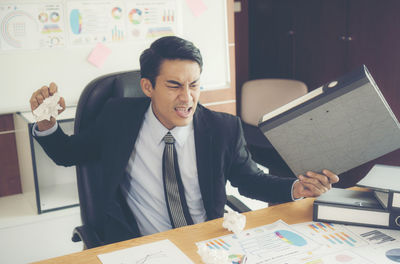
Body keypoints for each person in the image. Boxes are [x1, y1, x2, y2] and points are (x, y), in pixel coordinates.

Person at [30, 36, 339, 245]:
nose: (187, 98)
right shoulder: (117, 118)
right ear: (148, 87)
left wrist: (296, 188)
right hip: (143, 246)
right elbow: (67, 153)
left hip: (208, 244)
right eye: (174, 85)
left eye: (194, 85)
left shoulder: (223, 128)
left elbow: (250, 181)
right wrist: (46, 122)